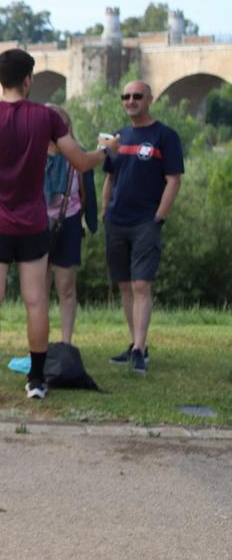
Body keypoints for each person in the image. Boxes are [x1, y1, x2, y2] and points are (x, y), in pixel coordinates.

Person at [0, 49, 114, 403]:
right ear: (28, 80)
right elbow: (81, 162)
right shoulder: (46, 118)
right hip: (35, 223)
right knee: (36, 301)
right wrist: (107, 152)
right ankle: (37, 381)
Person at [102, 80, 184, 374]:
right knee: (124, 285)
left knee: (140, 284)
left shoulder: (165, 135)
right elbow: (109, 178)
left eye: (137, 96)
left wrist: (159, 217)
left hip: (145, 222)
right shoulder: (118, 137)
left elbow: (174, 179)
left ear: (149, 99)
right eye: (126, 96)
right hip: (116, 221)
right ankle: (136, 344)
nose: (131, 100)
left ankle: (139, 349)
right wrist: (104, 212)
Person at [44, 106, 98, 345]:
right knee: (38, 288)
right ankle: (39, 344)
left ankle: (66, 343)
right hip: (37, 222)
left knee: (66, 286)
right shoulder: (33, 152)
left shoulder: (78, 155)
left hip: (69, 219)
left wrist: (92, 219)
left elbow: (88, 192)